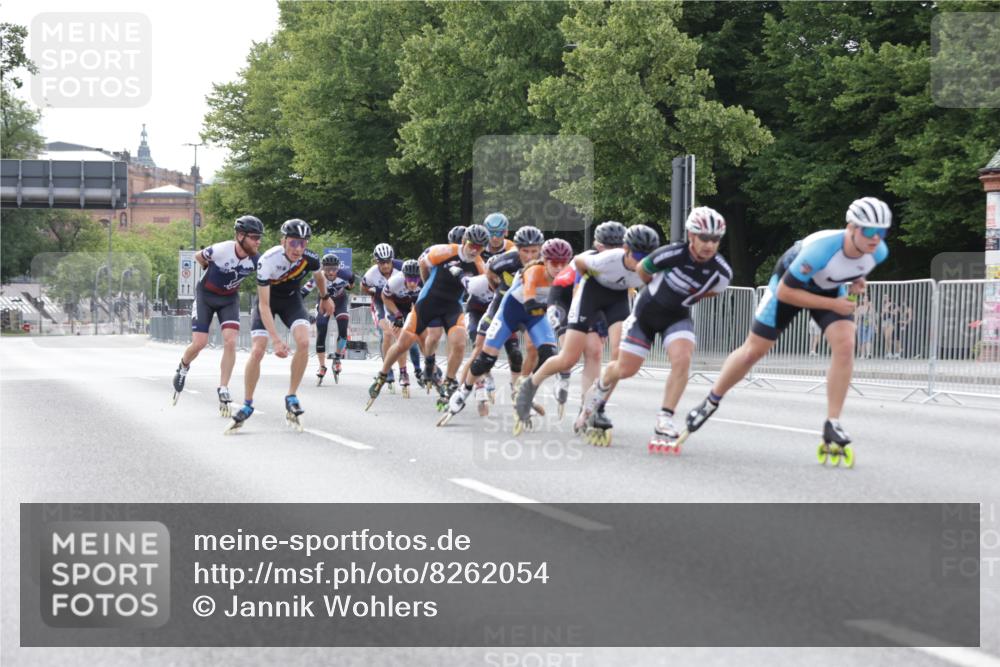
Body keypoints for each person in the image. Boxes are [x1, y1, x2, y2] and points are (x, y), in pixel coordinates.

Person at [683, 197, 892, 467]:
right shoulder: (820, 250)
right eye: (869, 231)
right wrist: (833, 303)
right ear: (851, 228)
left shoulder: (879, 251)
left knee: (845, 345)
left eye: (882, 232)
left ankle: (833, 422)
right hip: (788, 287)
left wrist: (856, 282)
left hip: (828, 288)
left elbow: (854, 270)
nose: (876, 239)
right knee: (753, 352)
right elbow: (786, 291)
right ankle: (710, 402)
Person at [575, 207, 733, 450]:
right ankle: (598, 391)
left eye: (715, 240)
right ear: (691, 236)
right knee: (625, 369)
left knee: (683, 358)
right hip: (646, 315)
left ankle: (665, 418)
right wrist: (659, 291)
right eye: (704, 238)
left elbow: (711, 291)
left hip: (677, 316)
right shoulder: (669, 254)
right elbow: (642, 271)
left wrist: (681, 298)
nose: (709, 245)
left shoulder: (721, 271)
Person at [514, 224, 661, 434]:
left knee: (611, 356)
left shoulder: (651, 268)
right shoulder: (607, 258)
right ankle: (530, 386)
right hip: (587, 293)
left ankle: (594, 407)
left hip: (615, 299)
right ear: (626, 250)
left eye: (646, 256)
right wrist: (578, 289)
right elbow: (579, 262)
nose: (641, 262)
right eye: (637, 255)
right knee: (568, 358)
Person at [441, 238, 573, 425]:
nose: (559, 268)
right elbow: (529, 302)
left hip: (535, 316)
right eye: (554, 263)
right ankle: (464, 390)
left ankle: (526, 389)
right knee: (485, 360)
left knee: (549, 355)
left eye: (563, 263)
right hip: (510, 313)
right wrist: (554, 312)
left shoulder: (568, 276)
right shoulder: (534, 271)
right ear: (544, 259)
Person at [225, 219, 332, 433]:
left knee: (303, 342)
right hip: (269, 302)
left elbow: (319, 276)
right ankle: (247, 404)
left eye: (303, 243)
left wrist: (325, 296)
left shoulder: (309, 258)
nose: (298, 249)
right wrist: (276, 339)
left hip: (291, 301)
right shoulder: (268, 261)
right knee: (257, 350)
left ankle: (291, 396)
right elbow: (264, 305)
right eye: (293, 243)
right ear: (283, 241)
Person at [367, 225, 488, 410]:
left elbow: (482, 286)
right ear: (464, 242)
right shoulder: (443, 251)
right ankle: (382, 374)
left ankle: (448, 382)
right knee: (403, 344)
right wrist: (426, 286)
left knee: (460, 342)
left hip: (451, 307)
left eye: (479, 247)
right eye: (472, 244)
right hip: (427, 303)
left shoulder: (479, 264)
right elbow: (422, 264)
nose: (474, 250)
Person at [172, 215, 263, 416]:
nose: (258, 242)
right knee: (200, 342)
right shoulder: (222, 249)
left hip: (229, 299)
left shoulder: (256, 260)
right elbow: (198, 256)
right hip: (206, 295)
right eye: (254, 238)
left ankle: (223, 387)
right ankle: (183, 366)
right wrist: (208, 267)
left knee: (230, 342)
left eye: (259, 238)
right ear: (240, 236)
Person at [459, 225, 545, 412]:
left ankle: (518, 390)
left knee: (520, 353)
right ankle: (464, 391)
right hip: (488, 309)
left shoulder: (544, 263)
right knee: (480, 351)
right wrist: (499, 289)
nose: (530, 256)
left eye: (534, 251)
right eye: (525, 251)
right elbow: (489, 274)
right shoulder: (490, 271)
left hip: (522, 308)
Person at [545, 221, 625, 417]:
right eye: (609, 248)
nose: (614, 252)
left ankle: (587, 408)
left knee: (595, 352)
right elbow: (577, 295)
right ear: (599, 247)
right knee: (569, 354)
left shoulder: (625, 262)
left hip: (594, 301)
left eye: (618, 247)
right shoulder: (588, 261)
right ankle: (562, 373)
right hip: (563, 299)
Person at [301, 253, 355, 385]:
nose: (331, 272)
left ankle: (337, 358)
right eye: (328, 269)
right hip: (323, 303)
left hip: (340, 302)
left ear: (338, 268)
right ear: (323, 268)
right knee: (322, 329)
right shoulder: (318, 276)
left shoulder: (346, 275)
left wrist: (347, 287)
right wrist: (303, 312)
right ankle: (322, 365)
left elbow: (350, 285)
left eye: (334, 269)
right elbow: (301, 294)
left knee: (343, 330)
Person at [361, 243, 406, 387]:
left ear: (392, 260)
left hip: (397, 302)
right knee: (387, 333)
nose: (385, 266)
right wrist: (373, 293)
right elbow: (363, 287)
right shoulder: (371, 273)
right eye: (381, 263)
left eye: (388, 262)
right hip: (380, 302)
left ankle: (403, 371)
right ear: (376, 262)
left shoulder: (402, 268)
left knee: (399, 336)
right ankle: (388, 369)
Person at [380, 259, 424, 396]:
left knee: (421, 335)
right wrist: (397, 314)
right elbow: (384, 297)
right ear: (404, 276)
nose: (412, 283)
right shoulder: (395, 281)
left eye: (415, 279)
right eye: (409, 279)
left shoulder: (424, 282)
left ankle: (427, 367)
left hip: (411, 305)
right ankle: (403, 372)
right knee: (401, 337)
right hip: (394, 306)